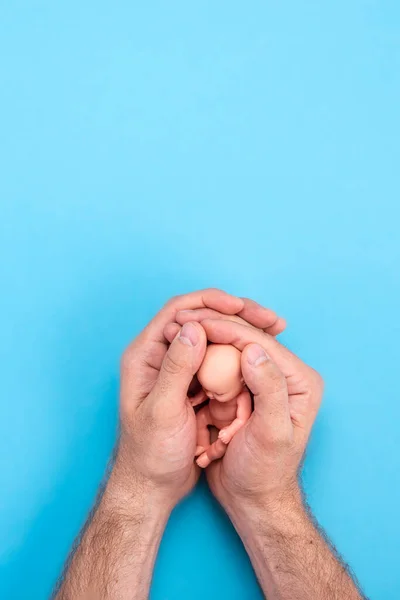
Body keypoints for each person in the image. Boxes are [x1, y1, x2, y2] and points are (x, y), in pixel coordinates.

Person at [52, 289, 366, 600]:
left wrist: (245, 469)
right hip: (206, 422)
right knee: (202, 424)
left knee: (212, 436)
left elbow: (242, 418)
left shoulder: (243, 399)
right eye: (210, 390)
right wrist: (146, 479)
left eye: (221, 392)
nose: (213, 395)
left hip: (225, 429)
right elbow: (202, 397)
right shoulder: (209, 394)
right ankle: (205, 447)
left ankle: (210, 451)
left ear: (244, 383)